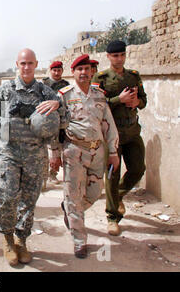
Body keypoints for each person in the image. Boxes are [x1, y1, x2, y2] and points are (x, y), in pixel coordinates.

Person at [0, 48, 66, 266]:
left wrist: (58, 104)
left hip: (35, 155)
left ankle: (22, 240)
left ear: (36, 64)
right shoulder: (4, 92)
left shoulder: (46, 92)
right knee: (7, 198)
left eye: (30, 63)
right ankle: (8, 239)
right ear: (17, 65)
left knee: (29, 201)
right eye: (22, 63)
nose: (26, 67)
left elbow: (63, 120)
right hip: (8, 153)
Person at [51, 54, 120, 259]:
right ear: (73, 72)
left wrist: (113, 152)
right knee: (74, 194)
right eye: (79, 69)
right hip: (74, 151)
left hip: (97, 152)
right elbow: (56, 127)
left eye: (86, 69)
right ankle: (79, 240)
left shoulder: (99, 95)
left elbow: (109, 125)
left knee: (94, 192)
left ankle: (69, 209)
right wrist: (54, 153)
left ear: (91, 72)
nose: (83, 73)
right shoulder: (63, 95)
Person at [92, 40, 147, 236]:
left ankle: (119, 195)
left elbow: (144, 100)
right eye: (115, 56)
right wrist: (118, 100)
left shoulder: (134, 76)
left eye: (122, 55)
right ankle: (112, 217)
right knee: (112, 175)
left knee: (138, 169)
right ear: (108, 57)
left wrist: (136, 101)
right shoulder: (101, 78)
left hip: (132, 132)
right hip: (111, 135)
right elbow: (96, 105)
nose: (119, 59)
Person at [41, 61, 71, 187]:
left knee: (58, 148)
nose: (57, 73)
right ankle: (43, 177)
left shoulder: (66, 85)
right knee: (45, 151)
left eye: (59, 70)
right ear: (50, 70)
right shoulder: (44, 84)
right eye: (54, 70)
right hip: (47, 120)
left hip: (62, 120)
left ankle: (53, 173)